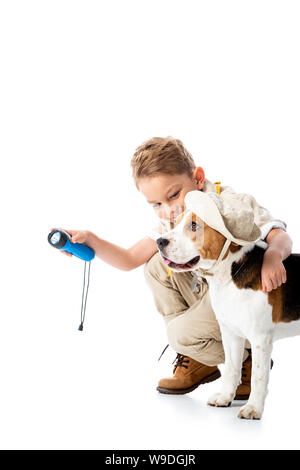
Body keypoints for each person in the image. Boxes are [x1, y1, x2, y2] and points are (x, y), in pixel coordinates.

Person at [53, 136, 292, 399]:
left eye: (174, 195)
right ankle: (199, 357)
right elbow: (130, 259)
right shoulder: (174, 224)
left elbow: (279, 234)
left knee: (178, 334)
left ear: (198, 178)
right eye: (157, 204)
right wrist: (90, 240)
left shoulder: (229, 204)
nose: (170, 210)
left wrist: (273, 257)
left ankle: (244, 355)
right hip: (214, 298)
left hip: (244, 299)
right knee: (156, 265)